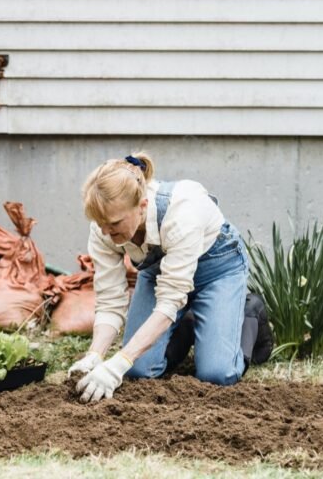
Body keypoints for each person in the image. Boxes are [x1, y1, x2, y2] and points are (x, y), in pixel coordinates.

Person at [68, 152, 271, 403]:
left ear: (142, 206)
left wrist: (117, 363)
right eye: (101, 224)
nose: (106, 232)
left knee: (218, 374)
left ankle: (249, 314)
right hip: (162, 275)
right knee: (138, 370)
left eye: (114, 223)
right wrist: (95, 355)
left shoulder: (182, 213)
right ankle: (186, 323)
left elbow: (168, 303)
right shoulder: (104, 229)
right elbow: (110, 300)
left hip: (218, 269)